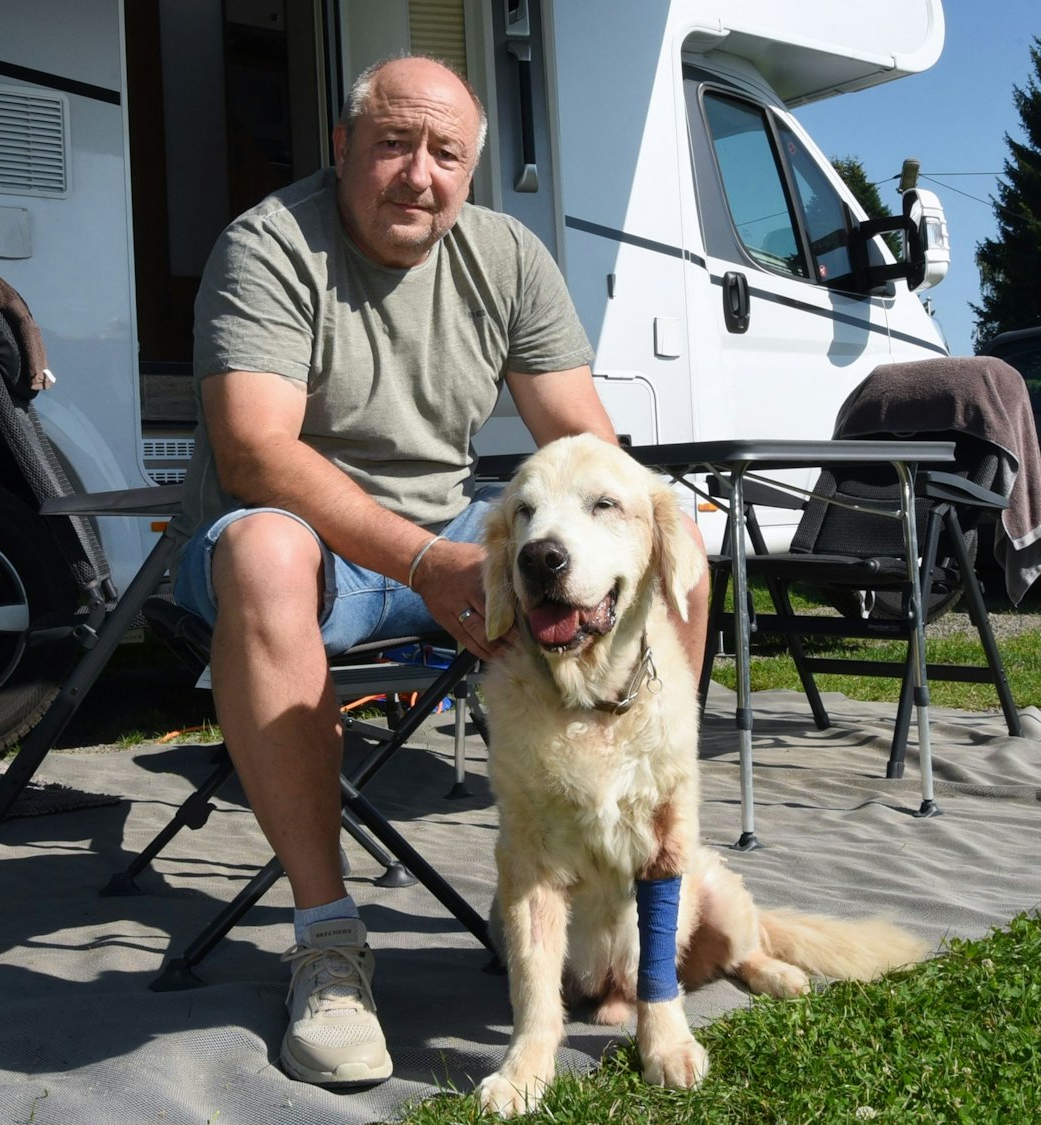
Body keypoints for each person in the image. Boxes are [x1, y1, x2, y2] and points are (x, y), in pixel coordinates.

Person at [168, 54, 711, 1087]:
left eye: (444, 153)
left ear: (469, 170)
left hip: (450, 532)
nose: (417, 174)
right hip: (289, 538)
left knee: (666, 537)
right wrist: (424, 562)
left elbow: (584, 438)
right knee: (265, 549)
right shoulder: (269, 244)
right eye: (391, 144)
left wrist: (642, 515)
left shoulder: (504, 255)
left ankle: (623, 897)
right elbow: (254, 453)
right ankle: (327, 945)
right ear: (341, 149)